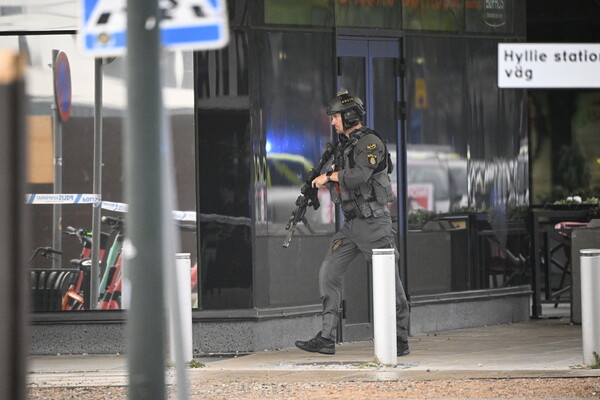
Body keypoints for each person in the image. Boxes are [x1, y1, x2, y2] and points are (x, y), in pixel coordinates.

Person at [295, 90, 410, 356]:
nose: (332, 122)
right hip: (352, 226)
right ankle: (327, 337)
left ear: (349, 116)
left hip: (374, 224)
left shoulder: (370, 142)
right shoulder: (344, 145)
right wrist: (320, 184)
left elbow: (359, 176)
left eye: (335, 117)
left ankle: (400, 339)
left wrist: (330, 177)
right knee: (329, 272)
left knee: (390, 284)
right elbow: (344, 179)